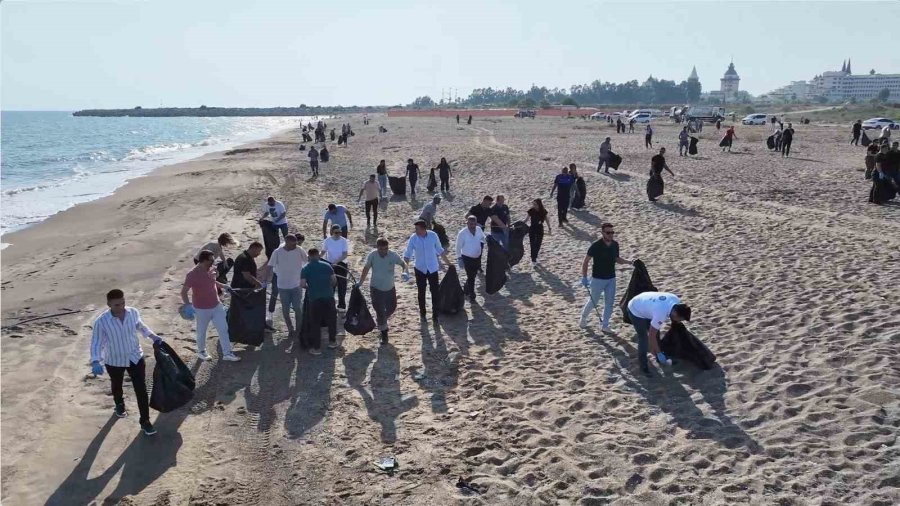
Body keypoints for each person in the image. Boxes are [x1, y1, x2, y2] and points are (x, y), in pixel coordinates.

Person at [90, 289, 162, 436]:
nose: (121, 307)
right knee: (117, 385)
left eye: (123, 303)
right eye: (117, 305)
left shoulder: (133, 312)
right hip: (114, 360)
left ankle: (145, 422)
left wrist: (153, 336)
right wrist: (95, 360)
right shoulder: (101, 322)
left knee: (141, 390)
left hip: (135, 357)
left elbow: (140, 326)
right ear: (109, 304)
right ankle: (119, 404)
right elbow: (96, 342)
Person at [180, 250, 241, 362]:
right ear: (203, 260)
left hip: (216, 305)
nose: (213, 262)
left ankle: (227, 353)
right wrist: (188, 305)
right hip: (201, 308)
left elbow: (213, 282)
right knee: (201, 331)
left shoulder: (212, 269)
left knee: (223, 329)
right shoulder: (192, 274)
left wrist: (223, 286)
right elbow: (184, 292)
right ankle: (201, 351)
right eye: (211, 260)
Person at [579, 223, 633, 333]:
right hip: (597, 279)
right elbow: (586, 262)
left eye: (612, 232)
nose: (611, 234)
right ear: (602, 233)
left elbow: (617, 259)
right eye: (608, 232)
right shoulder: (596, 245)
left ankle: (605, 325)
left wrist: (629, 262)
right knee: (593, 301)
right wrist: (584, 277)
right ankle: (583, 317)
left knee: (609, 303)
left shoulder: (615, 244)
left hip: (611, 279)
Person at [627, 291, 692, 374]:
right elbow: (651, 335)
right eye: (679, 319)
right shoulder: (661, 314)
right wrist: (658, 352)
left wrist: (656, 349)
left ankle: (659, 358)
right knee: (643, 338)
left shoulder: (675, 300)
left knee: (656, 332)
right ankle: (643, 365)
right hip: (635, 309)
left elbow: (655, 332)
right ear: (675, 313)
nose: (679, 321)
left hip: (646, 303)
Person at [359, 238, 409, 344]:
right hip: (376, 288)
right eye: (381, 249)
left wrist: (405, 271)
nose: (383, 251)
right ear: (377, 248)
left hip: (390, 287)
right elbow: (366, 269)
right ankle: (384, 333)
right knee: (380, 311)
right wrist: (360, 282)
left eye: (386, 249)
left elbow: (403, 263)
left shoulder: (393, 255)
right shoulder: (372, 255)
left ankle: (382, 321)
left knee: (392, 307)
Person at [403, 220, 449, 322]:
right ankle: (422, 312)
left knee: (435, 292)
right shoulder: (413, 238)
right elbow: (407, 254)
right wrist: (405, 269)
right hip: (420, 269)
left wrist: (449, 264)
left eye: (417, 229)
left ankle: (435, 315)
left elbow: (440, 250)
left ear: (424, 229)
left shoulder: (433, 236)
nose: (416, 231)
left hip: (432, 268)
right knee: (421, 292)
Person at [268, 234, 307, 337]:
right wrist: (268, 279)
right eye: (293, 244)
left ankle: (299, 329)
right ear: (286, 242)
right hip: (283, 286)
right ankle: (290, 328)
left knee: (297, 308)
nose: (295, 246)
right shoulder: (277, 252)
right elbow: (270, 266)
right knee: (285, 309)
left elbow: (307, 261)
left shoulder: (299, 250)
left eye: (296, 244)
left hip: (296, 285)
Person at [300, 248, 338, 354]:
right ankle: (332, 342)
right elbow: (334, 281)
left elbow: (302, 284)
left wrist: (311, 287)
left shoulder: (305, 268)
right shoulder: (327, 266)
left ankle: (317, 348)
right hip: (329, 297)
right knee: (331, 320)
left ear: (309, 256)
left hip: (315, 299)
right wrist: (327, 287)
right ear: (318, 255)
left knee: (315, 323)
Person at [455, 215, 486, 302]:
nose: (472, 225)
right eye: (470, 223)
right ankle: (472, 296)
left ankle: (466, 289)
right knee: (471, 276)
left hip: (477, 257)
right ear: (467, 223)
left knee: (473, 275)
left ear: (476, 223)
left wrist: (487, 239)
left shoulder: (479, 230)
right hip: (467, 258)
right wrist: (459, 258)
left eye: (474, 223)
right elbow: (458, 247)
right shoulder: (462, 233)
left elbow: (482, 239)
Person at [322, 224, 350, 310]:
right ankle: (330, 305)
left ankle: (342, 305)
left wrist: (336, 262)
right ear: (332, 232)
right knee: (331, 285)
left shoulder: (344, 241)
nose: (339, 234)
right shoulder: (327, 241)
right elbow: (323, 252)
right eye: (336, 232)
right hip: (330, 264)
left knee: (342, 285)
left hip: (341, 264)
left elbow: (345, 254)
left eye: (340, 232)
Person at [524, 199, 550, 265]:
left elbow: (547, 219)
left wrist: (549, 228)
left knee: (538, 244)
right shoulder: (531, 210)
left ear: (539, 204)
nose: (534, 205)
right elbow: (526, 219)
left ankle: (535, 257)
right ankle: (533, 259)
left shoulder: (543, 211)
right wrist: (522, 224)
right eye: (533, 204)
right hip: (532, 228)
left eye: (535, 204)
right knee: (532, 244)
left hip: (540, 228)